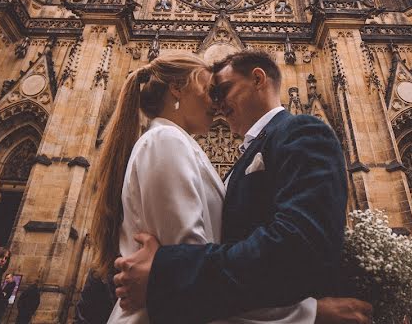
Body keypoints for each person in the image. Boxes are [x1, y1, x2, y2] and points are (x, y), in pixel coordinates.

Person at [105, 51, 371, 324]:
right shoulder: (166, 140)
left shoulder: (298, 132)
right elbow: (190, 286)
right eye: (210, 91)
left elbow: (298, 243)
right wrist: (310, 314)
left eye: (221, 90)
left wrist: (164, 273)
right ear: (176, 90)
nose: (217, 104)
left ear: (258, 79)